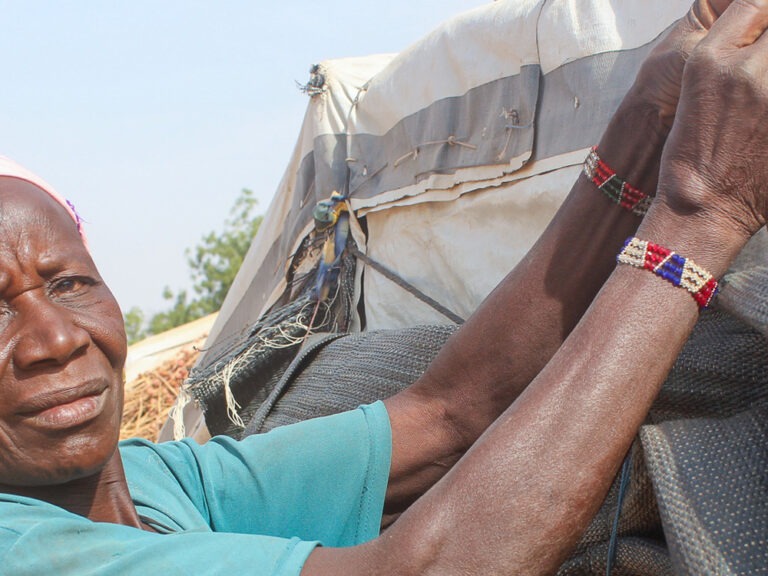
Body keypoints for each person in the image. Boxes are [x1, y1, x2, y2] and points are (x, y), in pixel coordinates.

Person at [0, 0, 765, 574]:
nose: (54, 341)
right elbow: (438, 566)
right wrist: (701, 211)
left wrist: (645, 114)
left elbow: (450, 410)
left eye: (67, 284)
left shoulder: (155, 482)